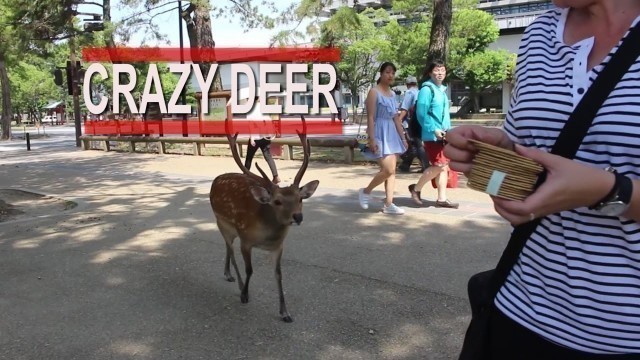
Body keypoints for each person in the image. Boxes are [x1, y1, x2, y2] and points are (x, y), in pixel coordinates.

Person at [444, 1, 640, 357]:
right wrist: (493, 156)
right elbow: (527, 155)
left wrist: (610, 191)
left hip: (624, 336)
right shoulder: (539, 33)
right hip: (518, 307)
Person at [358, 62, 408, 215]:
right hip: (379, 131)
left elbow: (396, 118)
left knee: (392, 171)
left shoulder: (392, 94)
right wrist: (372, 139)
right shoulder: (374, 92)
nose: (390, 75)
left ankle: (388, 204)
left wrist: (403, 138)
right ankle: (366, 191)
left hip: (392, 133)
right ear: (381, 74)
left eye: (393, 72)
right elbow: (371, 117)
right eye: (387, 72)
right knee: (388, 169)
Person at [407, 60, 458, 208]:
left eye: (443, 70)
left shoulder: (441, 90)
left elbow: (444, 115)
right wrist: (433, 129)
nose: (440, 73)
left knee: (443, 166)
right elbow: (421, 113)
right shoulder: (426, 90)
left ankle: (441, 198)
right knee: (439, 164)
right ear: (430, 72)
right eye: (436, 70)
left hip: (444, 135)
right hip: (432, 135)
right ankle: (416, 189)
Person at [244, 96, 281, 185]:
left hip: (256, 137)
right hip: (266, 136)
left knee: (249, 157)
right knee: (268, 156)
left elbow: (251, 124)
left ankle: (244, 177)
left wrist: (252, 137)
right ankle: (276, 176)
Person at [398, 76, 429, 173]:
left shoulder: (409, 93)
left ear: (407, 84)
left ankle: (425, 165)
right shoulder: (420, 92)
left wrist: (399, 120)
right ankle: (405, 165)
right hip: (421, 121)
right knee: (414, 144)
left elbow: (405, 109)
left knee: (415, 144)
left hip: (410, 122)